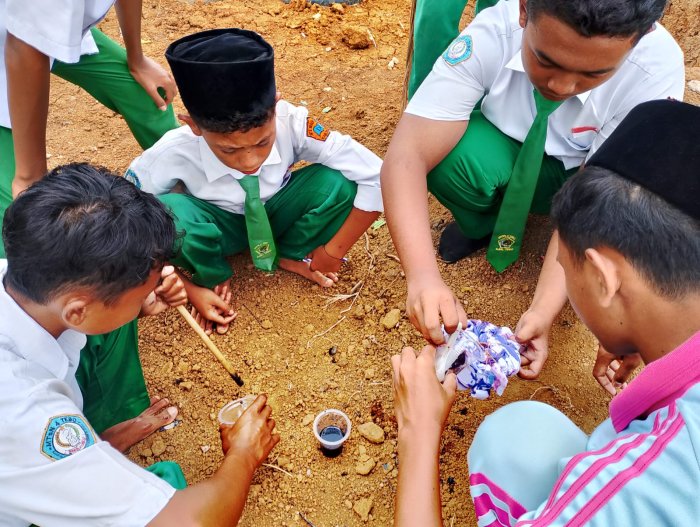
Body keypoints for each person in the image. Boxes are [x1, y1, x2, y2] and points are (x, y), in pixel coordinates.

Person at [391, 99, 700, 526]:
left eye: (564, 266)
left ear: (603, 279)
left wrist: (419, 432)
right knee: (515, 437)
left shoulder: (630, 496)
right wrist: (643, 334)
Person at [381, 0, 685, 346]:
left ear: (641, 37)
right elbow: (407, 155)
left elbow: (596, 199)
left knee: (616, 213)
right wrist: (422, 278)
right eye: (546, 60)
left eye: (593, 73)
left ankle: (561, 249)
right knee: (450, 161)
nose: (562, 86)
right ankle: (483, 225)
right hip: (504, 147)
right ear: (524, 9)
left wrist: (542, 311)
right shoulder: (495, 31)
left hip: (581, 174)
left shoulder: (654, 72)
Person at [0, 164, 279, 526]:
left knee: (111, 328)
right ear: (78, 311)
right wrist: (244, 454)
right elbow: (188, 523)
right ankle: (84, 458)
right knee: (170, 487)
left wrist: (139, 302)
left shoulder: (27, 284)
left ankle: (100, 439)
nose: (157, 292)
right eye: (142, 293)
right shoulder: (25, 413)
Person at [126, 29, 383, 334]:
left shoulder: (292, 123)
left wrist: (332, 253)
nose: (249, 161)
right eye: (228, 150)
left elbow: (376, 174)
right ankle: (212, 275)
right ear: (194, 126)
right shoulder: (170, 153)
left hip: (277, 211)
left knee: (338, 183)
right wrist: (187, 289)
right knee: (168, 215)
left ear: (276, 105)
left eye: (263, 142)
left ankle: (289, 252)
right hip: (218, 226)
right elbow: (124, 224)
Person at [0, 0, 179, 257]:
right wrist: (30, 177)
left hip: (52, 23)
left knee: (148, 97)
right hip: (17, 43)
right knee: (18, 212)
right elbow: (24, 48)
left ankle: (184, 178)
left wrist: (136, 58)